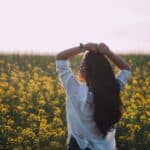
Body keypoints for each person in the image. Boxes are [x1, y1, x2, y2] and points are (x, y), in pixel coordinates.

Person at [55, 42, 131, 150]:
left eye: (82, 65)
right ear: (106, 69)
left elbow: (60, 58)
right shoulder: (113, 90)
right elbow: (126, 70)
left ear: (84, 70)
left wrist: (83, 47)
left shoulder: (74, 90)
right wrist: (108, 52)